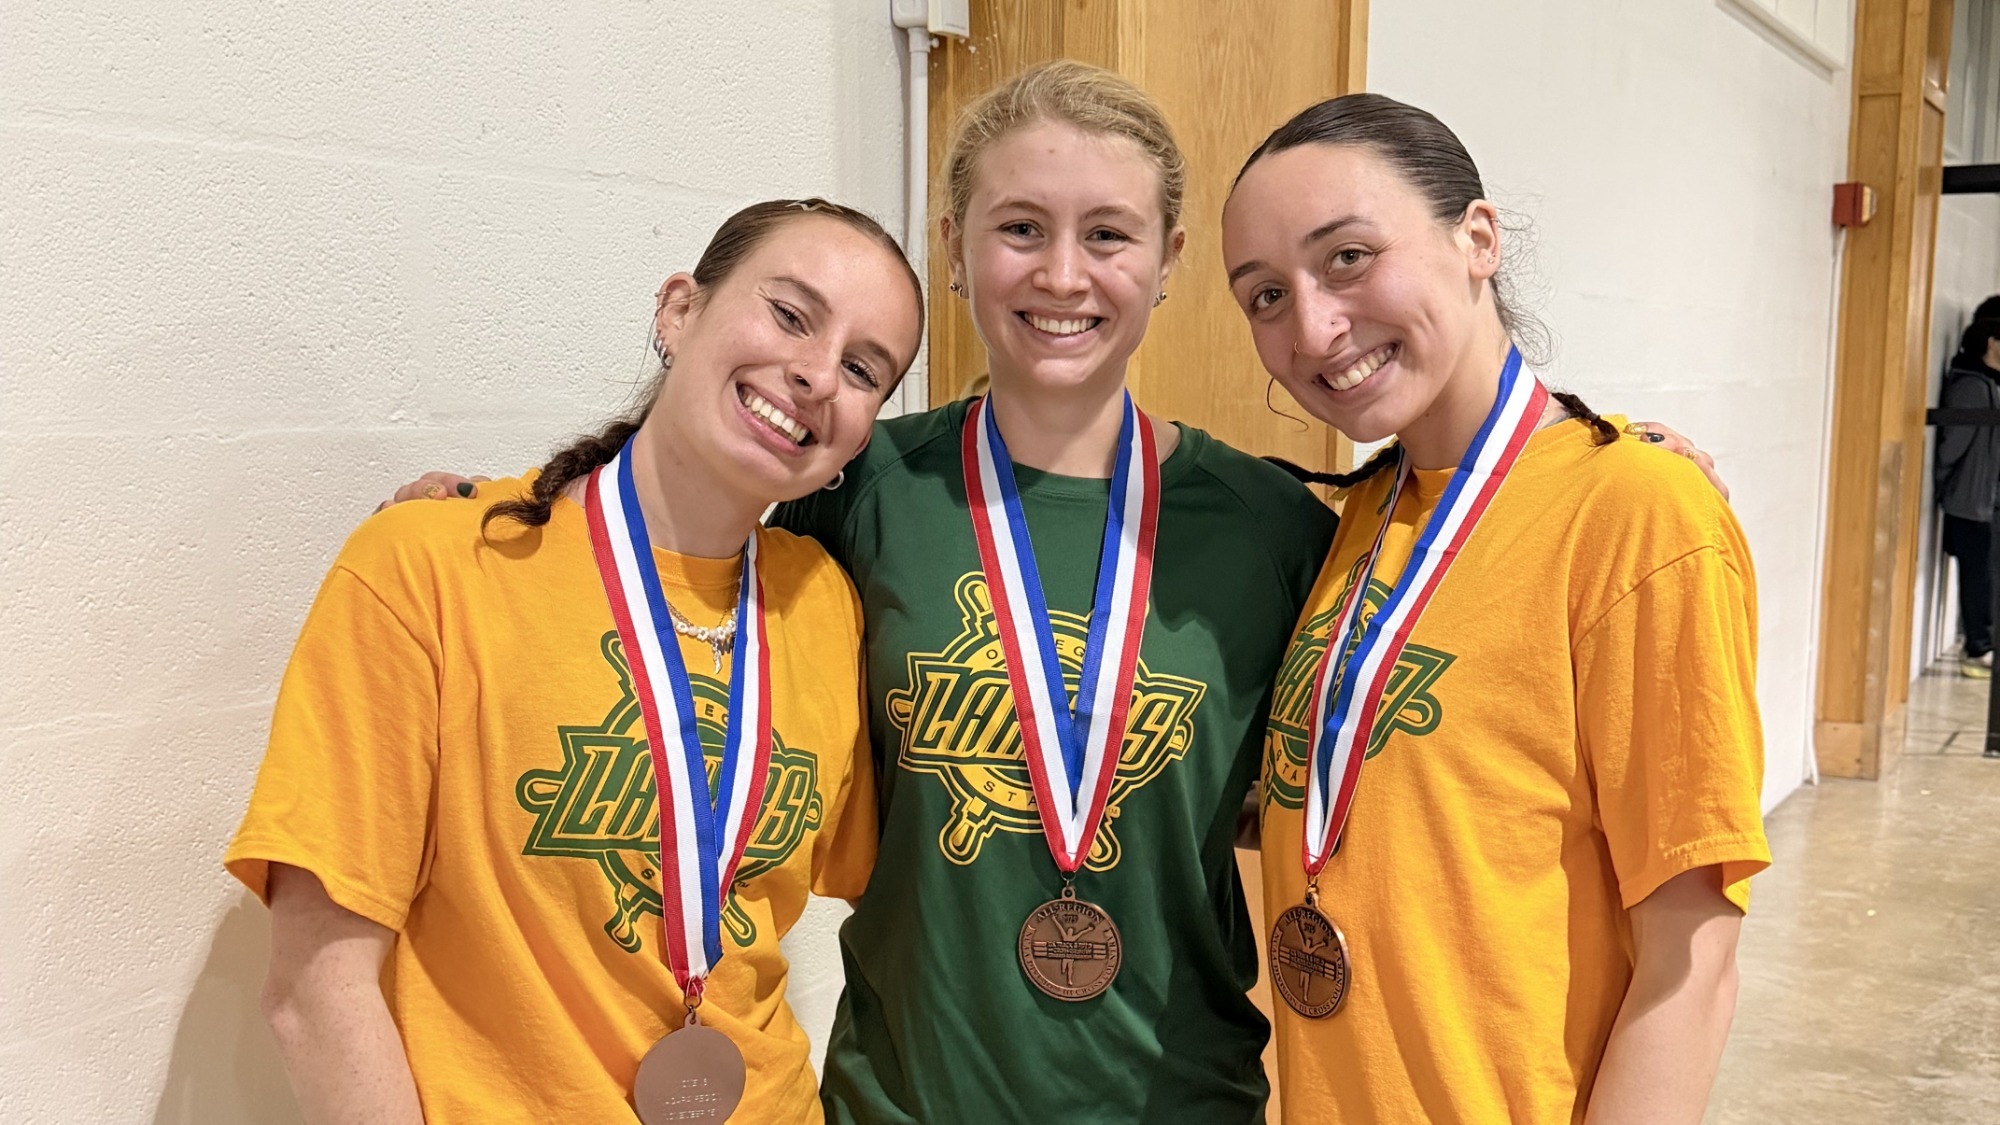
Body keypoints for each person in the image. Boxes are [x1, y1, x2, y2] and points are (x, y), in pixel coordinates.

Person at [382, 63, 1730, 1123]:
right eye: (1020, 230)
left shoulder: (1279, 524)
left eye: (1109, 233)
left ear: (1167, 260)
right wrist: (509, 507)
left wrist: (1617, 457)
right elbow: (684, 497)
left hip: (1186, 1100)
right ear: (959, 248)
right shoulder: (860, 489)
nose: (1065, 274)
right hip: (904, 1100)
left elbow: (1457, 589)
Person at [225, 198, 923, 1124]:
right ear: (680, 311)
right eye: (790, 314)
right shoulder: (429, 567)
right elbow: (315, 990)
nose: (813, 372)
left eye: (862, 368)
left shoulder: (823, 603)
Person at [1224, 94, 1769, 1123]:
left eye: (1345, 256)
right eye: (1261, 295)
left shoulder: (1636, 511)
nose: (1310, 326)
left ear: (1476, 237)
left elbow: (1689, 965)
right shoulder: (1348, 523)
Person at [1936, 314, 2000, 678]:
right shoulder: (1971, 387)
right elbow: (1953, 444)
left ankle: (1982, 642)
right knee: (1977, 574)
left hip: (1982, 497)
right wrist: (1947, 484)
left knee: (1984, 572)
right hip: (1967, 498)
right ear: (1991, 343)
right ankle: (1978, 646)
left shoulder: (1987, 385)